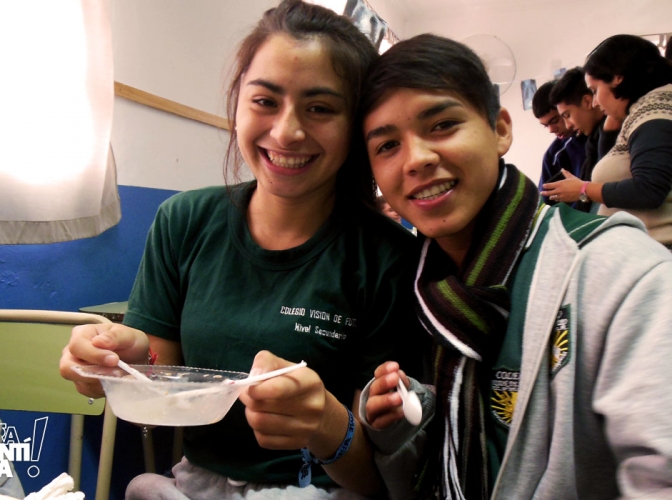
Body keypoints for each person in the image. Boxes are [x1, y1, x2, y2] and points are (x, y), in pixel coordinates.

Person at [59, 1, 422, 498]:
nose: (287, 130)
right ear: (237, 104)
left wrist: (326, 427)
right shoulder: (183, 221)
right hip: (197, 484)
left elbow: (383, 481)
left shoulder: (388, 258)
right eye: (265, 101)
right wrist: (122, 362)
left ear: (355, 126)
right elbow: (161, 370)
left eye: (320, 108)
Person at [358, 33, 672, 499]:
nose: (416, 160)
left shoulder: (621, 274)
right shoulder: (417, 283)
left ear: (501, 130)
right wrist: (396, 421)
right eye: (386, 146)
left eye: (442, 124)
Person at [542, 34, 672, 247]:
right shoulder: (641, 112)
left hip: (660, 248)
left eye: (594, 91)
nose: (594, 101)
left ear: (617, 78)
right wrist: (611, 123)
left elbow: (649, 189)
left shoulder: (653, 113)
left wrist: (583, 189)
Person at [547, 66, 621, 212]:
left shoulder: (618, 132)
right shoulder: (594, 141)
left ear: (587, 102)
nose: (568, 125)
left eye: (567, 115)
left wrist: (583, 189)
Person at [531, 81, 586, 206]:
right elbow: (545, 204)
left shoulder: (601, 135)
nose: (551, 130)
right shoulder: (553, 155)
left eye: (555, 120)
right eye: (546, 126)